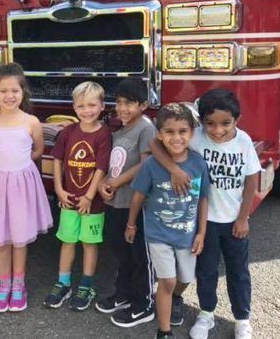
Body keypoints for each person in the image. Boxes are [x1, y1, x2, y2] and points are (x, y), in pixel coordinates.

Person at [152, 89, 260, 339]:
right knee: (206, 270)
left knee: (238, 271)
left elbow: (252, 179)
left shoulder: (243, 141)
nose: (218, 130)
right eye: (210, 123)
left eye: (225, 123)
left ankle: (242, 318)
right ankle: (207, 314)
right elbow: (154, 144)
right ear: (201, 122)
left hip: (234, 221)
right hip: (204, 222)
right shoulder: (196, 137)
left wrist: (243, 217)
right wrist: (174, 170)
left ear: (237, 120)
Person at [126, 103, 210, 339]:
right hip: (158, 235)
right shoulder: (152, 165)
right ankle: (164, 331)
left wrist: (201, 233)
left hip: (187, 235)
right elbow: (138, 196)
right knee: (168, 280)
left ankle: (173, 297)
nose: (176, 137)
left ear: (191, 133)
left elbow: (203, 199)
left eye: (182, 131)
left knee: (184, 279)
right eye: (169, 132)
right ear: (160, 135)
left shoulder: (198, 164)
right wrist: (131, 224)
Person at [0, 63, 52, 313]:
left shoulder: (31, 122)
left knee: (19, 239)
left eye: (15, 91)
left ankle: (19, 284)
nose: (9, 96)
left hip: (21, 186)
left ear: (23, 92)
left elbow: (38, 150)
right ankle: (3, 284)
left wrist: (23, 166)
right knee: (0, 241)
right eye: (4, 91)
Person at [43, 81, 112, 311]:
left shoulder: (104, 135)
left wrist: (90, 196)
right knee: (68, 240)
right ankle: (63, 283)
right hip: (68, 200)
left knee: (89, 243)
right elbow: (57, 160)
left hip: (92, 202)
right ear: (74, 107)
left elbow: (101, 167)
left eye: (92, 104)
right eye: (81, 105)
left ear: (102, 106)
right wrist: (59, 189)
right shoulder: (67, 132)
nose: (87, 110)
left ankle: (86, 285)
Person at [95, 78, 157, 328]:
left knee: (140, 254)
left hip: (136, 203)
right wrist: (104, 184)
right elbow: (114, 164)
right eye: (119, 103)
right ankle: (124, 293)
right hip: (116, 201)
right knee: (120, 249)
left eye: (129, 104)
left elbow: (146, 163)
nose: (122, 108)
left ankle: (145, 303)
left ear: (143, 105)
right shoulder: (120, 129)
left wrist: (117, 182)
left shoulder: (145, 128)